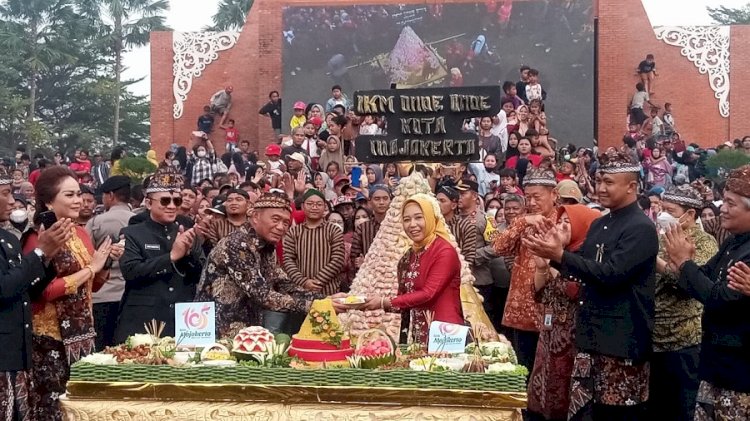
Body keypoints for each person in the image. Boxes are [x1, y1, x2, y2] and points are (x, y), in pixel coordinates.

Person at [523, 150, 657, 420]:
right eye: (599, 181)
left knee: (616, 415)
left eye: (609, 182)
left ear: (631, 186)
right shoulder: (600, 224)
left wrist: (560, 256)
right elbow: (581, 269)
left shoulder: (641, 227)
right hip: (588, 338)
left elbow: (612, 274)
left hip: (620, 342)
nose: (600, 188)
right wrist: (553, 257)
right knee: (584, 411)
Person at [23, 166, 117, 420]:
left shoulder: (80, 232)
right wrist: (91, 267)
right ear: (49, 200)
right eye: (69, 195)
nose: (78, 200)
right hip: (50, 341)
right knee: (54, 411)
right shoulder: (38, 236)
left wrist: (104, 263)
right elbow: (43, 292)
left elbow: (92, 287)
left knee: (81, 409)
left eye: (79, 194)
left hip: (83, 336)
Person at [664, 164, 750, 420]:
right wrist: (684, 264)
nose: (722, 208)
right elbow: (699, 280)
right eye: (723, 201)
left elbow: (719, 299)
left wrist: (684, 264)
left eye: (731, 203)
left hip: (739, 373)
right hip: (715, 365)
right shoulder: (734, 243)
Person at [196, 191, 322, 337]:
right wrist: (314, 306)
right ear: (255, 217)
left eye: (286, 223)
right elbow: (262, 295)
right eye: (275, 219)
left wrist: (324, 300)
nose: (281, 227)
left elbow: (283, 283)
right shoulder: (237, 244)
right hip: (215, 331)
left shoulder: (267, 247)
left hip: (247, 330)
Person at [0, 167, 72, 421]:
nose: (12, 201)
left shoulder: (8, 238)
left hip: (17, 353)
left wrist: (47, 257)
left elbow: (27, 290)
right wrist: (39, 253)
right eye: (6, 194)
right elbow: (4, 288)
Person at [650, 183, 718, 421]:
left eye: (671, 210)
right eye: (661, 208)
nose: (663, 215)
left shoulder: (704, 243)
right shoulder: (657, 239)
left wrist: (658, 263)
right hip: (652, 338)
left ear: (689, 214)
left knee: (683, 409)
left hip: (684, 340)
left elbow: (691, 283)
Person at [527, 204, 601, 421]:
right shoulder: (561, 253)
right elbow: (539, 292)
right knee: (543, 395)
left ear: (582, 226)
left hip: (573, 339)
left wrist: (555, 259)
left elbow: (575, 291)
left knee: (566, 396)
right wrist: (542, 266)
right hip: (549, 334)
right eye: (559, 221)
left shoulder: (587, 258)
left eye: (567, 222)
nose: (560, 226)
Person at [359, 194, 463, 345]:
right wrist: (367, 303)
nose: (412, 224)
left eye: (419, 217)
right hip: (418, 335)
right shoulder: (410, 255)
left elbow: (428, 293)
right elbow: (407, 300)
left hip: (446, 335)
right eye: (407, 220)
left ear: (430, 217)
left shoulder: (444, 251)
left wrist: (383, 302)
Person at [115, 168, 204, 343]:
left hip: (183, 318)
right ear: (148, 204)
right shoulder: (133, 233)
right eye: (165, 201)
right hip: (144, 319)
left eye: (176, 201)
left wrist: (189, 255)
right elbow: (131, 272)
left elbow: (201, 274)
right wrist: (171, 257)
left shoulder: (187, 233)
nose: (171, 206)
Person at [493, 168, 558, 371]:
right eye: (527, 197)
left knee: (550, 372)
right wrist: (522, 221)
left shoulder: (564, 221)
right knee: (523, 369)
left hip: (551, 310)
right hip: (521, 310)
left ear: (553, 195)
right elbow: (498, 247)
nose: (531, 203)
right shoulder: (525, 222)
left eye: (536, 197)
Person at [85, 176, 134, 350]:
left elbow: (85, 257)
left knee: (102, 350)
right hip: (129, 295)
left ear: (111, 195)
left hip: (102, 295)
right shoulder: (139, 221)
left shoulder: (96, 222)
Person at [283, 189, 344, 298]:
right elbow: (288, 260)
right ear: (302, 206)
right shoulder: (293, 232)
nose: (314, 207)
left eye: (319, 204)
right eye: (310, 204)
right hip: (301, 293)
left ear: (325, 206)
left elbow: (338, 260)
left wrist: (317, 281)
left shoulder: (334, 230)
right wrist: (304, 282)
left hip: (329, 291)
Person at [351, 186, 391, 272]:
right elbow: (355, 257)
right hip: (368, 277)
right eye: (377, 199)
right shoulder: (362, 228)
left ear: (390, 201)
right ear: (370, 202)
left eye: (385, 198)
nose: (381, 202)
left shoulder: (397, 227)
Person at [436, 182, 476, 266]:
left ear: (453, 205)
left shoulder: (466, 226)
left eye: (442, 201)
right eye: (436, 200)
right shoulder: (432, 226)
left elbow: (469, 258)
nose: (438, 204)